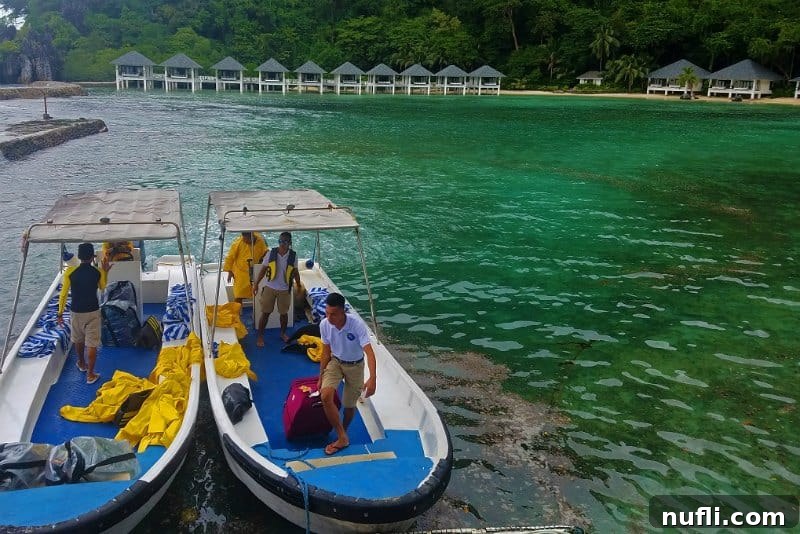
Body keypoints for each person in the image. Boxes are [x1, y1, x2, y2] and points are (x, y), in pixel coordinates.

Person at [317, 292, 376, 456]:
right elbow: (325, 352)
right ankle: (342, 436)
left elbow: (369, 353)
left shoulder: (356, 325)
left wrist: (372, 379)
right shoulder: (324, 325)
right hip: (336, 362)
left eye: (333, 314)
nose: (329, 318)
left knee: (349, 406)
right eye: (327, 313)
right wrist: (321, 376)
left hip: (356, 365)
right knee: (326, 395)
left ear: (343, 312)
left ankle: (343, 430)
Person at [56, 242, 111, 385]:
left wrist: (60, 313)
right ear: (92, 256)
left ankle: (81, 363)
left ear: (79, 257)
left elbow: (63, 295)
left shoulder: (70, 272)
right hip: (92, 311)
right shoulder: (97, 271)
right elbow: (103, 287)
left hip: (76, 311)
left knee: (78, 339)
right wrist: (105, 271)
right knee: (92, 343)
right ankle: (91, 375)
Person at [252, 231, 301, 347]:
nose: (282, 244)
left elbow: (295, 272)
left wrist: (298, 285)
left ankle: (283, 333)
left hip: (284, 290)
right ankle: (260, 336)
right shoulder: (270, 254)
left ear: (290, 243)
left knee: (284, 314)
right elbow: (263, 270)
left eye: (284, 242)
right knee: (265, 313)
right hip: (270, 288)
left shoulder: (293, 256)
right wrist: (256, 284)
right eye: (280, 241)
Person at [223, 231, 268, 305]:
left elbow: (265, 252)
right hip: (241, 273)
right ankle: (237, 312)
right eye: (243, 238)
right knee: (239, 295)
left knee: (257, 292)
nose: (244, 240)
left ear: (251, 236)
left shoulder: (260, 241)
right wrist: (230, 272)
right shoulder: (237, 243)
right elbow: (230, 257)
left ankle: (257, 311)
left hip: (255, 271)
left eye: (246, 239)